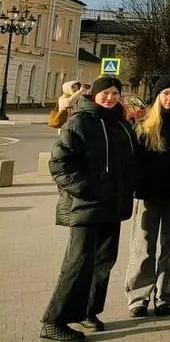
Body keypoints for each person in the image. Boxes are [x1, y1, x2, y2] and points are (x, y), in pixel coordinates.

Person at [40, 76, 136, 342]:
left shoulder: (121, 125)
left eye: (115, 93)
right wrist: (87, 189)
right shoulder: (79, 122)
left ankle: (88, 312)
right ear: (94, 95)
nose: (110, 97)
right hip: (86, 206)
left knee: (103, 262)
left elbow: (130, 162)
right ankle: (53, 320)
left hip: (112, 207)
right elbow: (59, 165)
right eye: (105, 93)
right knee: (78, 264)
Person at [125, 77, 170, 318]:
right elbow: (132, 162)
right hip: (147, 196)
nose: (169, 98)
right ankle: (138, 297)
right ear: (157, 96)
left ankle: (164, 296)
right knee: (143, 248)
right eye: (165, 94)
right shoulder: (143, 127)